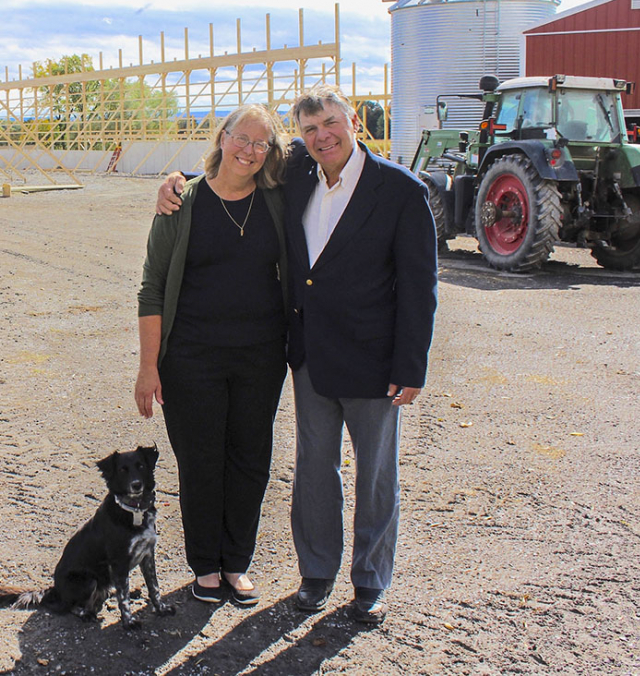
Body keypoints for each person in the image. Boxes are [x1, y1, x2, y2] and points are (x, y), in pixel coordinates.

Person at [157, 85, 438, 625]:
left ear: (352, 121)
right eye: (309, 130)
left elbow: (419, 284)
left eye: (330, 124)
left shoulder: (400, 190)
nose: (321, 136)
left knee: (376, 475)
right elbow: (233, 174)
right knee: (314, 469)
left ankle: (370, 582)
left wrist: (412, 363)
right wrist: (180, 183)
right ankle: (317, 574)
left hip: (375, 362)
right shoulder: (299, 175)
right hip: (309, 355)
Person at [135, 104, 291, 606]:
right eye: (241, 138)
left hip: (260, 358)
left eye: (260, 144)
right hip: (191, 359)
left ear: (270, 152)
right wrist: (147, 365)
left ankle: (236, 563)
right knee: (201, 461)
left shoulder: (277, 200)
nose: (248, 151)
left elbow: (330, 152)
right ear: (222, 138)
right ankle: (205, 565)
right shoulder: (181, 202)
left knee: (250, 459)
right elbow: (152, 288)